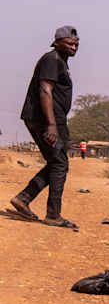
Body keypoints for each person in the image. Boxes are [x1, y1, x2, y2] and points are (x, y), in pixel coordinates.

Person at [10, 26, 79, 228]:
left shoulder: (61, 62)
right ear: (57, 43)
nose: (74, 47)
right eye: (69, 43)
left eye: (76, 44)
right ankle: (53, 215)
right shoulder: (52, 59)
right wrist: (51, 125)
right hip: (44, 119)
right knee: (59, 164)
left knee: (57, 162)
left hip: (54, 119)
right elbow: (45, 90)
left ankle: (24, 198)